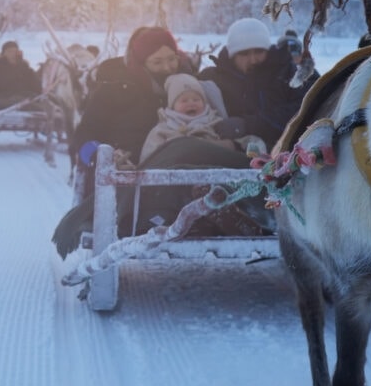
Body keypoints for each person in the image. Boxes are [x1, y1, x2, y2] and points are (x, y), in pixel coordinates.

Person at [52, 72, 264, 259]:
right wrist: (95, 154)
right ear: (172, 105)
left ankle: (232, 217)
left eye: (196, 99)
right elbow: (151, 159)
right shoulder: (162, 129)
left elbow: (248, 146)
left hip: (211, 173)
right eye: (184, 100)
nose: (191, 104)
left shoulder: (216, 123)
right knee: (174, 186)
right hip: (172, 185)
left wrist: (234, 143)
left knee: (217, 182)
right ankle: (204, 214)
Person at [70, 26, 193, 181]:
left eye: (172, 59)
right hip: (124, 181)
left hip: (186, 177)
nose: (167, 68)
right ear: (141, 62)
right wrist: (102, 158)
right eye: (157, 62)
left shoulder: (190, 87)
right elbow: (82, 137)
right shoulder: (112, 90)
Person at [198, 17, 315, 147]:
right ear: (232, 56)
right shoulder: (213, 78)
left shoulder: (287, 72)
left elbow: (303, 110)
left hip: (282, 150)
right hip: (226, 151)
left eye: (259, 51)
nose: (253, 60)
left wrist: (248, 125)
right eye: (244, 53)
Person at [0, 40, 41, 107]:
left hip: (24, 97)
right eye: (9, 51)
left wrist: (21, 65)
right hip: (4, 98)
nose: (12, 54)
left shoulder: (24, 66)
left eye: (14, 51)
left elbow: (35, 83)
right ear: (4, 53)